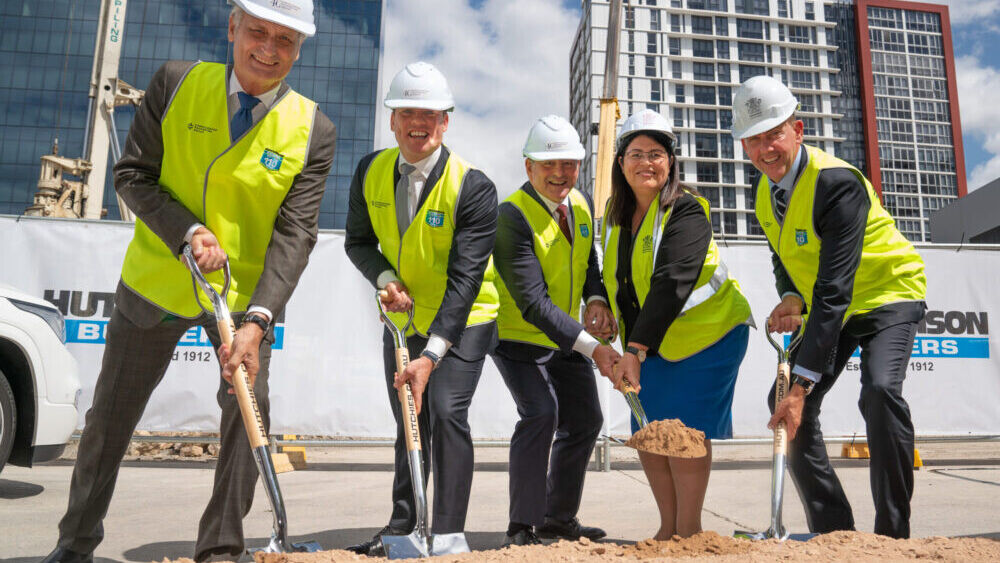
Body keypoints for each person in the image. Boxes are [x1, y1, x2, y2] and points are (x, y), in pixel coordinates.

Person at [42, 1, 336, 562]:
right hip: (155, 284)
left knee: (248, 421)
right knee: (108, 423)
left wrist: (258, 322)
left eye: (285, 41)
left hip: (242, 302)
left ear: (300, 49)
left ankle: (221, 551)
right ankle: (74, 545)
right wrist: (189, 233)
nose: (268, 50)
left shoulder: (313, 129)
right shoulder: (175, 83)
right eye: (257, 32)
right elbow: (132, 175)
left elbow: (296, 233)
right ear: (232, 27)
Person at [732, 75, 927, 539]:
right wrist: (789, 295)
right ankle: (835, 532)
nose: (765, 150)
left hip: (887, 294)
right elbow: (786, 258)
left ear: (797, 130)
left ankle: (892, 536)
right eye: (753, 140)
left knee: (879, 391)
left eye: (774, 134)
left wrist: (801, 386)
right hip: (831, 304)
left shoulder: (837, 184)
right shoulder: (765, 192)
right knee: (782, 405)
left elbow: (835, 290)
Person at [343, 61, 498, 556]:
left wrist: (431, 354)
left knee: (445, 410)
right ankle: (404, 528)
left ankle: (448, 533)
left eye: (430, 113)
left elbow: (466, 280)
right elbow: (359, 243)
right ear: (392, 120)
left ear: (445, 122)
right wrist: (387, 279)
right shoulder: (369, 172)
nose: (418, 122)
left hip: (466, 317)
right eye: (408, 111)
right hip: (404, 319)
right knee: (409, 418)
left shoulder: (473, 185)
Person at [601, 109, 753, 540]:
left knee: (681, 430)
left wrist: (635, 350)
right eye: (635, 153)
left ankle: (691, 533)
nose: (645, 162)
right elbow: (621, 277)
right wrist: (603, 305)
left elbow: (671, 283)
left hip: (706, 336)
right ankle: (667, 530)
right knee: (649, 430)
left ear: (671, 161)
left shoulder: (686, 209)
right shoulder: (616, 211)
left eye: (656, 153)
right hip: (649, 341)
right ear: (620, 162)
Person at [490, 115, 620, 546]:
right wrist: (594, 348)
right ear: (528, 167)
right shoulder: (511, 216)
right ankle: (522, 525)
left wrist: (597, 298)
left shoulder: (580, 204)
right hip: (518, 339)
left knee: (586, 419)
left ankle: (558, 520)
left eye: (569, 163)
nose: (560, 173)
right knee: (540, 414)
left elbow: (589, 264)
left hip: (564, 340)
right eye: (549, 164)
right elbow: (532, 302)